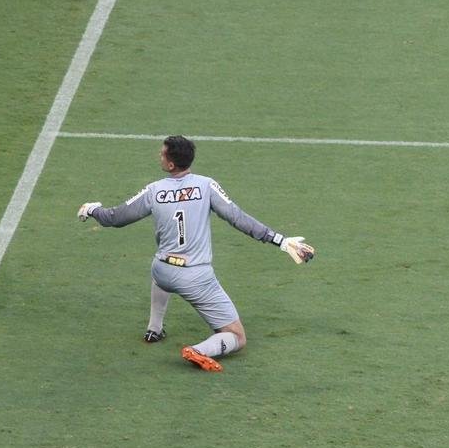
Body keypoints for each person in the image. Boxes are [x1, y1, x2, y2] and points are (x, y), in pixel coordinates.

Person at [77, 135, 315, 372]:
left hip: (162, 270)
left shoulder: (154, 190)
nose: (159, 155)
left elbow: (115, 218)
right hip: (195, 277)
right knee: (237, 337)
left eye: (162, 153)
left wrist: (93, 209)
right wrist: (280, 241)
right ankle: (200, 350)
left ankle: (154, 329)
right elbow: (238, 218)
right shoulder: (206, 185)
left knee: (162, 269)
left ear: (171, 165)